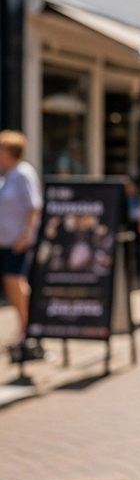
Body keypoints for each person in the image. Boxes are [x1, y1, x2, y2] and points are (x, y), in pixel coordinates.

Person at [0, 130, 42, 346]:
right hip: (5, 240)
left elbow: (34, 207)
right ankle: (25, 326)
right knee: (11, 283)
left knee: (16, 281)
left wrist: (25, 235)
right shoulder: (7, 175)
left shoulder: (23, 174)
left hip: (18, 241)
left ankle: (30, 327)